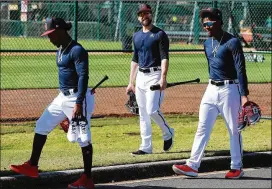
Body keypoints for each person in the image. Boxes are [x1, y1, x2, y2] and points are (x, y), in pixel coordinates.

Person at [10, 18, 95, 189]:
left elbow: (83, 77)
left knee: (82, 138)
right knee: (42, 124)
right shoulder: (61, 49)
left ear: (61, 31)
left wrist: (79, 103)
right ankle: (33, 165)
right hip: (62, 97)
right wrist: (63, 112)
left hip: (77, 98)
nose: (49, 38)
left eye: (51, 34)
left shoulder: (77, 50)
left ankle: (87, 178)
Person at [172, 7, 249, 179]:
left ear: (219, 21)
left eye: (210, 21)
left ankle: (236, 167)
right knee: (202, 127)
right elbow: (211, 66)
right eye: (204, 22)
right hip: (211, 89)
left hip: (230, 90)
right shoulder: (207, 44)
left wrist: (244, 96)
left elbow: (241, 70)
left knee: (234, 129)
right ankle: (192, 165)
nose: (206, 25)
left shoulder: (232, 42)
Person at [126, 3, 174, 155]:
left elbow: (164, 57)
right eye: (141, 14)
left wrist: (163, 78)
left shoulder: (160, 34)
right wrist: (130, 82)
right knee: (143, 113)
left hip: (155, 75)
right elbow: (135, 59)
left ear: (151, 14)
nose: (144, 16)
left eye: (146, 13)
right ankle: (145, 147)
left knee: (152, 110)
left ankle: (168, 132)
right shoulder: (137, 36)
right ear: (138, 17)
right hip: (141, 76)